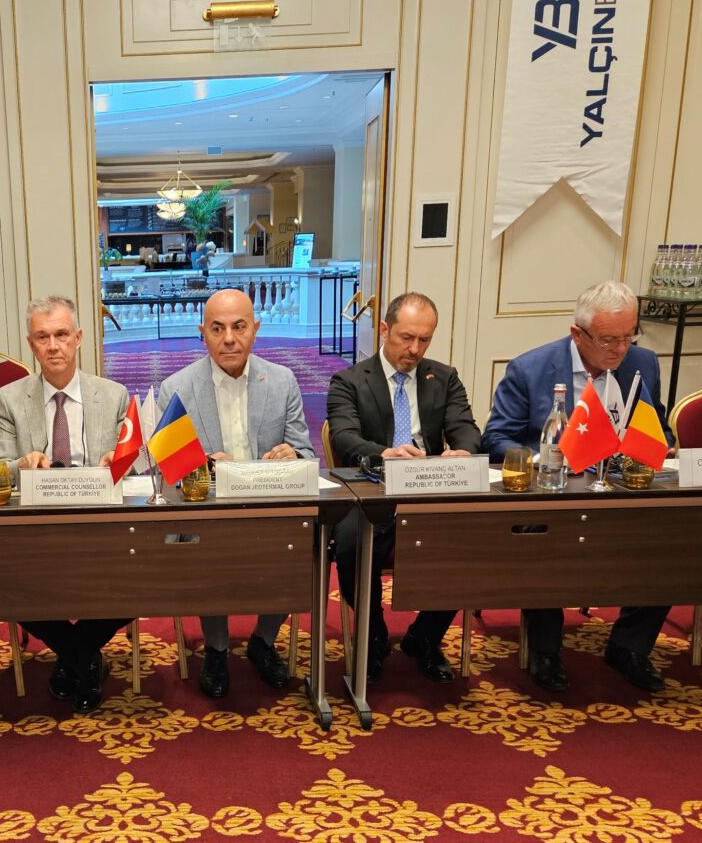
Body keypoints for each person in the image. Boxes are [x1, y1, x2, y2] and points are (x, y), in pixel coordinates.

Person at [481, 280, 673, 693]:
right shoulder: (530, 369)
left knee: (670, 536)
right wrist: (546, 459)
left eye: (629, 336)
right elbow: (495, 439)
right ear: (577, 333)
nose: (620, 349)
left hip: (622, 490)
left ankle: (630, 647)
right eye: (608, 339)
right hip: (553, 495)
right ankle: (544, 649)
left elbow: (657, 426)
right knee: (543, 537)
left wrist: (660, 446)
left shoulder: (643, 363)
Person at [158, 289, 313, 697]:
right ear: (202, 333)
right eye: (217, 328)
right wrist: (203, 465)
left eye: (239, 327)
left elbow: (307, 452)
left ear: (255, 330)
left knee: (303, 542)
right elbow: (167, 475)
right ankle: (216, 648)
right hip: (208, 512)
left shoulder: (282, 381)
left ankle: (263, 640)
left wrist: (293, 454)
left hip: (269, 508)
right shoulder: (176, 389)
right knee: (206, 541)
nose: (229, 338)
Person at [327, 292, 479, 686]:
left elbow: (465, 428)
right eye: (406, 337)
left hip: (428, 492)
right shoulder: (349, 380)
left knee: (469, 540)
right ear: (384, 330)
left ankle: (425, 637)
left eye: (424, 340)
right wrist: (385, 454)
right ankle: (373, 632)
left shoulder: (444, 377)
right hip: (370, 495)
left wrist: (462, 451)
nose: (414, 349)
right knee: (350, 542)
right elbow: (344, 437)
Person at [0, 295, 130, 713]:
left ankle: (74, 656)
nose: (53, 346)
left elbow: (138, 467)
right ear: (30, 344)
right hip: (36, 529)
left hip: (102, 528)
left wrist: (118, 462)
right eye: (43, 337)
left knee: (141, 574)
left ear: (79, 338)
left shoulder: (114, 395)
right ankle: (84, 658)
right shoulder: (10, 398)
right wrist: (21, 463)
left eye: (62, 335)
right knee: (3, 581)